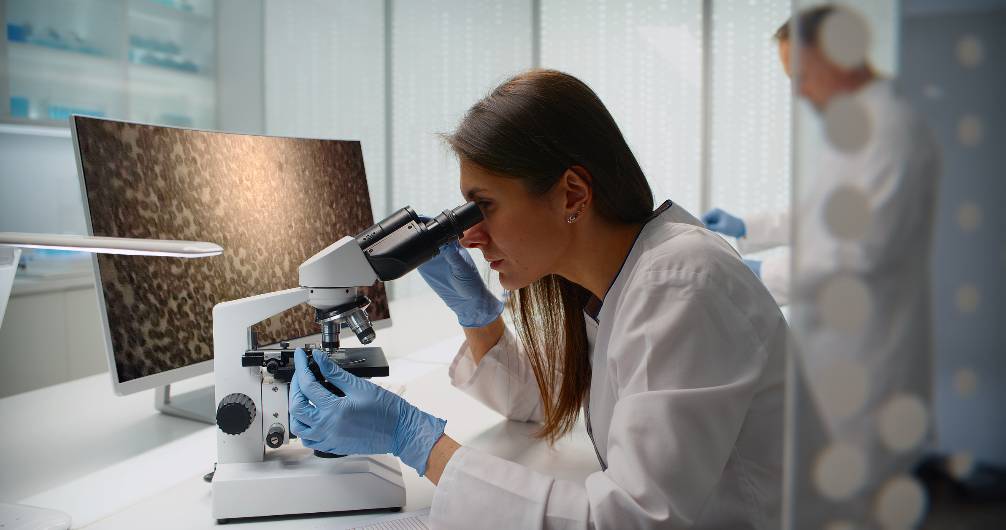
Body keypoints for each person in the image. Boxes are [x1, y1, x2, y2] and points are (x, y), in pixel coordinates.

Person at [290, 69, 788, 529]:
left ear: (572, 194)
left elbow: (629, 520)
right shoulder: (617, 282)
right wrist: (476, 316)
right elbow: (542, 400)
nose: (470, 236)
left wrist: (415, 440)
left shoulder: (679, 287)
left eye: (484, 206)